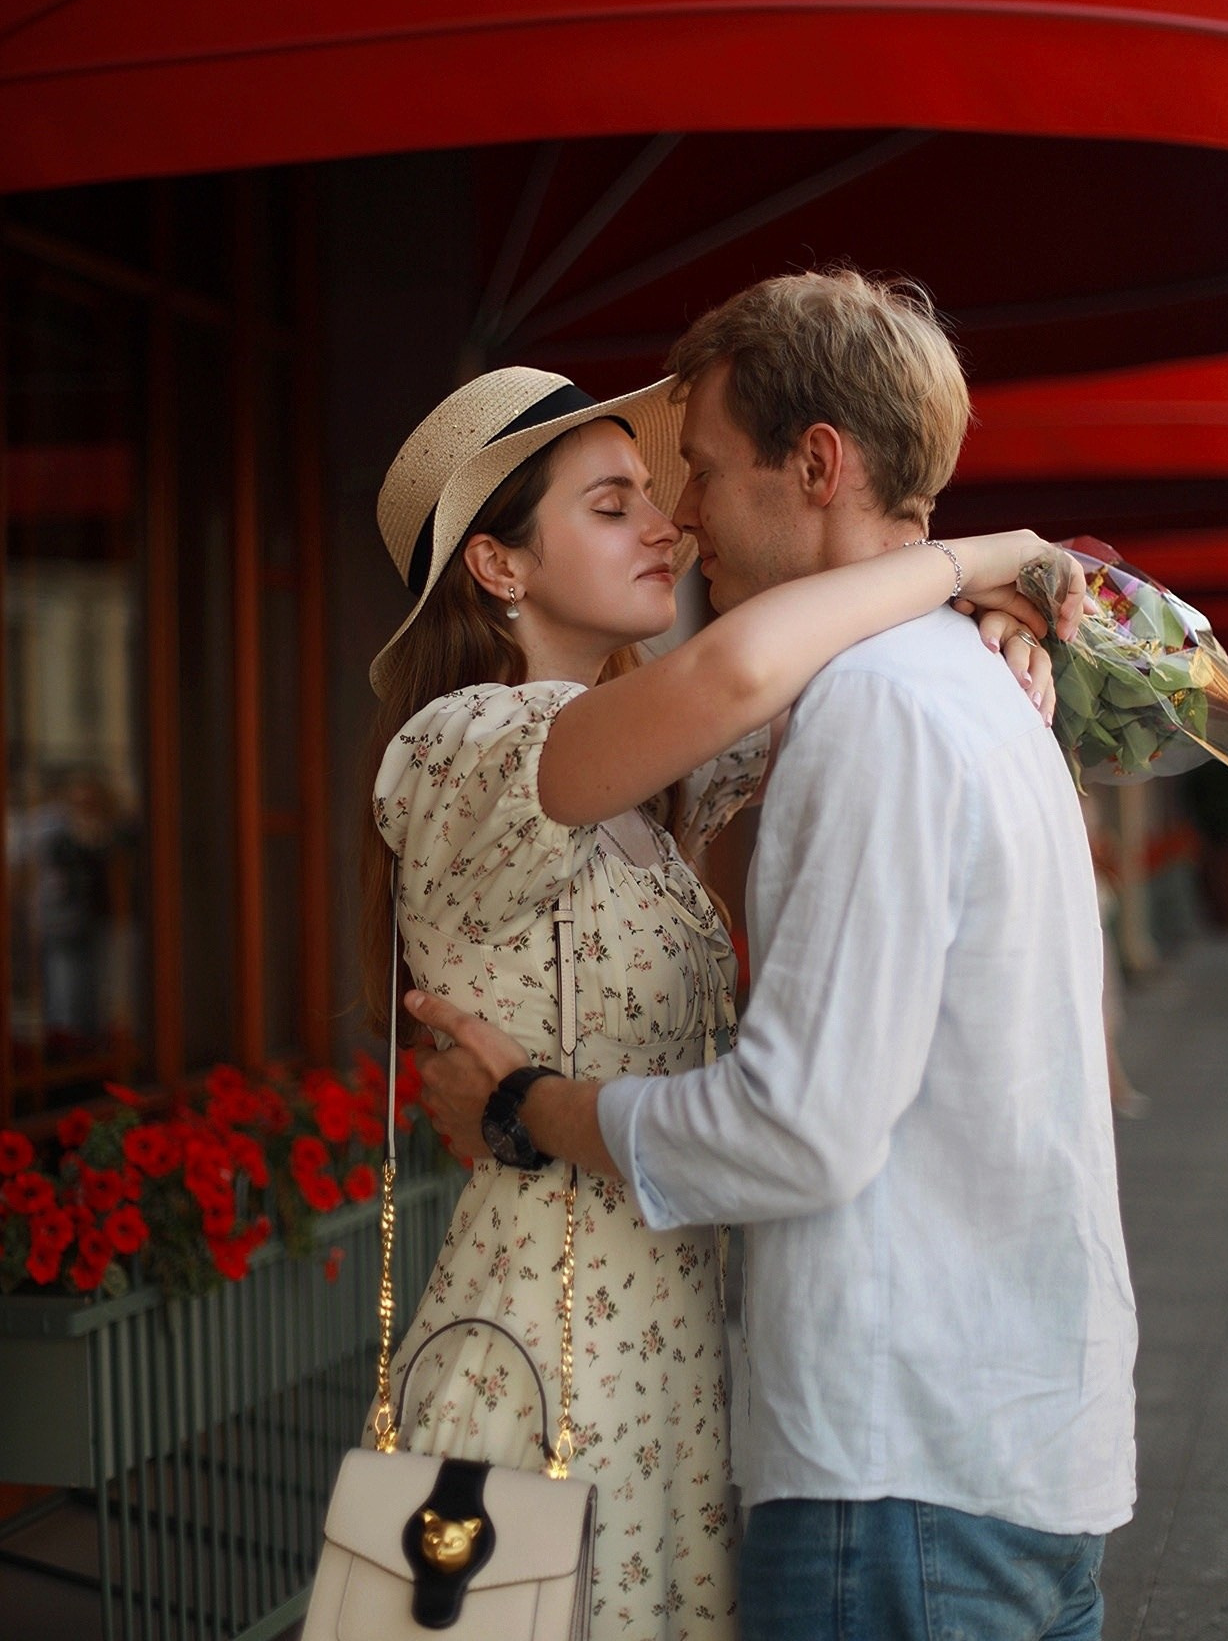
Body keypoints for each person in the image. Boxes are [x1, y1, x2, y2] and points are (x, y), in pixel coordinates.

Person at [411, 271, 1138, 1641]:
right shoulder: (476, 747)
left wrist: (953, 602)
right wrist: (957, 569)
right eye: (615, 503)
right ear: (496, 565)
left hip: (812, 1408)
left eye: (677, 480)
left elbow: (763, 704)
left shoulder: (814, 729)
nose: (674, 524)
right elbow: (746, 675)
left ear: (815, 462)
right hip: (562, 1345)